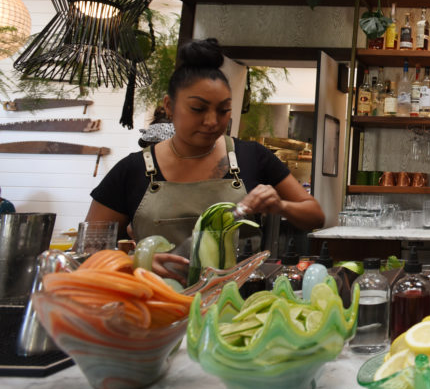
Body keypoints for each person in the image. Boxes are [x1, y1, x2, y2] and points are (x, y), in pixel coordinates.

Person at [86, 38, 325, 282]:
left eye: (223, 110)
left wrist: (281, 206)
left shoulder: (251, 156)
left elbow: (315, 215)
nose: (212, 121)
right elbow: (89, 252)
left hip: (235, 306)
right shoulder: (132, 170)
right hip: (157, 304)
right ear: (169, 106)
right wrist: (137, 261)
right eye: (198, 109)